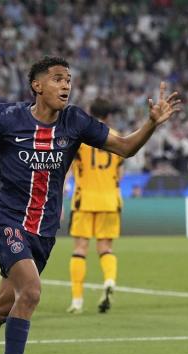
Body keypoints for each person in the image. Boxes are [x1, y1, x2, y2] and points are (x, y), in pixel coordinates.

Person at [0, 56, 181, 354]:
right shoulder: (8, 117)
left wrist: (150, 123)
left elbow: (125, 147)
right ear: (37, 85)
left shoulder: (76, 122)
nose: (66, 84)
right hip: (8, 220)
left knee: (3, 307)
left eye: (68, 79)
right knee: (31, 292)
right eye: (57, 78)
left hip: (44, 230)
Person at [67, 97, 123, 314]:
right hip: (110, 200)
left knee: (80, 250)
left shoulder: (80, 137)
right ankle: (109, 280)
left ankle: (77, 301)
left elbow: (68, 168)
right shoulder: (117, 137)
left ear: (90, 112)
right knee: (106, 248)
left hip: (84, 200)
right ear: (108, 115)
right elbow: (119, 173)